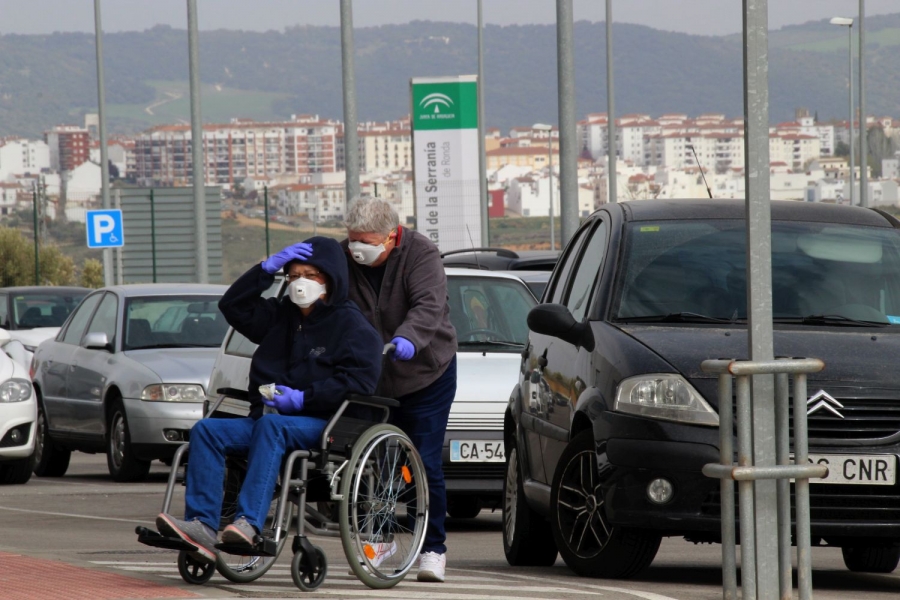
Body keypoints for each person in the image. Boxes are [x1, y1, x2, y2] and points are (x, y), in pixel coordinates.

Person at [155, 236, 383, 564]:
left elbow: (360, 381)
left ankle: (248, 523)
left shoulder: (351, 325)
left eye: (311, 275)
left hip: (326, 423)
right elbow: (232, 306)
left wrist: (304, 399)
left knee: (271, 427)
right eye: (293, 275)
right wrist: (265, 269)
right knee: (207, 430)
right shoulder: (280, 315)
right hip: (268, 419)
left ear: (332, 279)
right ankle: (201, 524)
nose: (301, 282)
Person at [341, 196, 458, 583]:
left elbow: (428, 305)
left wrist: (408, 337)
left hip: (426, 372)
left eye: (366, 241)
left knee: (423, 461)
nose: (357, 248)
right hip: (372, 377)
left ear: (391, 236)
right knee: (374, 459)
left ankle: (433, 548)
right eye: (352, 239)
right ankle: (380, 537)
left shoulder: (421, 253)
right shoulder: (343, 256)